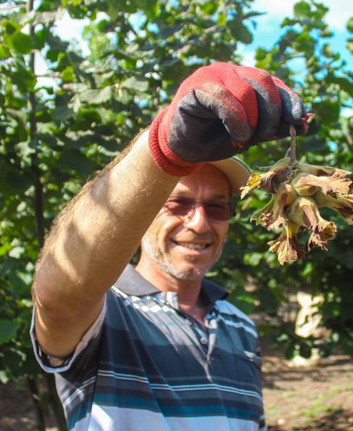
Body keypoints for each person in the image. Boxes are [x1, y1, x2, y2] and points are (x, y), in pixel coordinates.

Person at [30, 62, 309, 430]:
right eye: (177, 204)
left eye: (216, 207)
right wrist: (163, 149)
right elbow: (59, 296)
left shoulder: (240, 327)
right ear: (142, 213)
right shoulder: (105, 315)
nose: (199, 222)